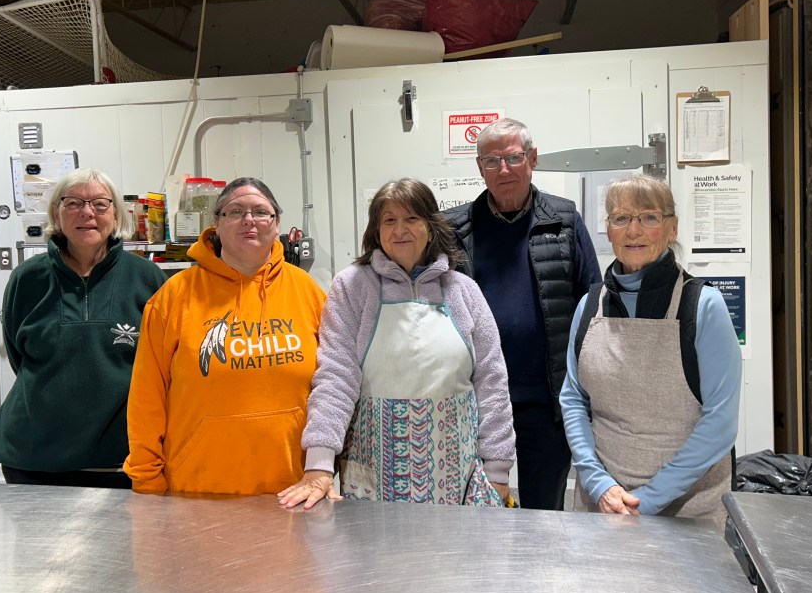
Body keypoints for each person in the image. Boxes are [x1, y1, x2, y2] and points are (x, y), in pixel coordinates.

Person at [279, 178, 515, 509]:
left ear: (431, 228)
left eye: (411, 218)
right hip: (372, 468)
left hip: (454, 470)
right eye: (389, 220)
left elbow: (491, 383)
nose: (399, 230)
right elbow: (336, 378)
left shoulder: (463, 291)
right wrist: (319, 465)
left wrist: (498, 470)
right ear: (377, 232)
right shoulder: (352, 287)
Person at [560, 174, 741, 528]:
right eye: (621, 218)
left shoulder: (703, 307)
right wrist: (598, 483)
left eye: (649, 217)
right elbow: (573, 399)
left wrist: (649, 500)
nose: (634, 230)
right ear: (608, 230)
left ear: (672, 229)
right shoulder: (589, 306)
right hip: (602, 504)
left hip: (687, 512)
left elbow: (721, 422)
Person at [124, 177, 326, 495]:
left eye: (261, 212)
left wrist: (324, 469)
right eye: (235, 211)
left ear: (276, 223)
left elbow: (332, 387)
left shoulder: (308, 291)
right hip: (197, 492)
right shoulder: (175, 296)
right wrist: (147, 481)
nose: (249, 220)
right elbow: (146, 398)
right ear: (216, 224)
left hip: (293, 491)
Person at [443, 118, 601, 510]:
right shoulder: (453, 229)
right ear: (480, 167)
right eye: (492, 161)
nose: (504, 170)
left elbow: (593, 306)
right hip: (473, 400)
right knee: (472, 512)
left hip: (547, 402)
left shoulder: (564, 221)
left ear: (532, 158)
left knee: (544, 514)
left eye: (513, 158)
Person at [0, 168, 167, 488]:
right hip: (34, 456)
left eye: (100, 203)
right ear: (57, 213)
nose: (87, 212)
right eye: (73, 203)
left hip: (122, 458)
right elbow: (19, 356)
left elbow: (163, 365)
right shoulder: (27, 278)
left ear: (116, 214)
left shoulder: (146, 278)